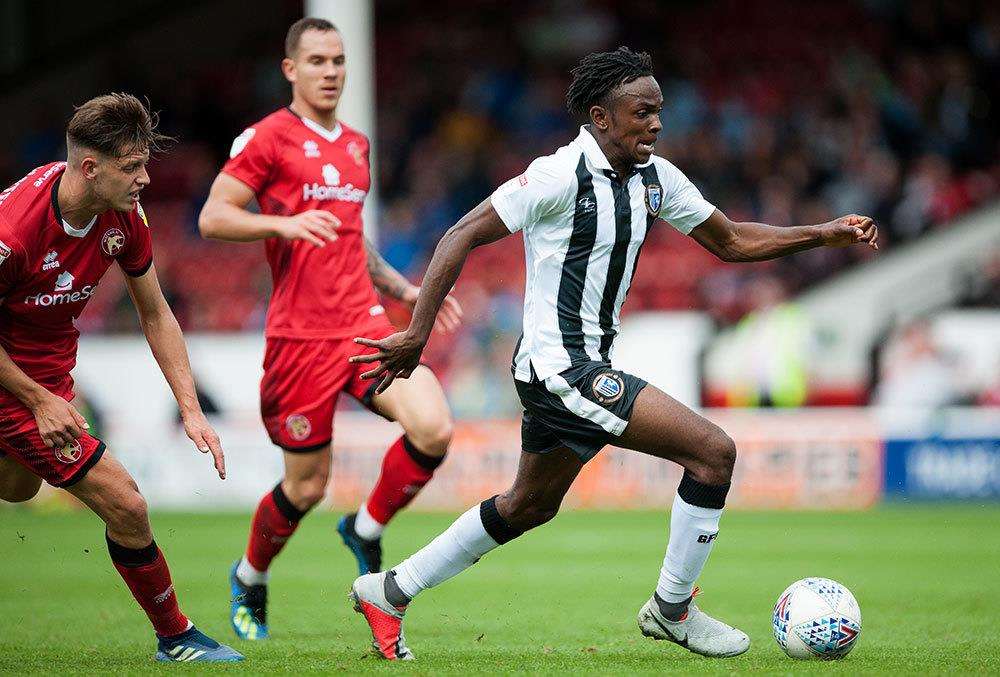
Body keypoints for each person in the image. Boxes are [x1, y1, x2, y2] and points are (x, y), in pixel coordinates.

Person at [348, 47, 879, 660]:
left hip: (573, 368)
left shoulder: (657, 178)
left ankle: (388, 590)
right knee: (712, 454)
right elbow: (460, 233)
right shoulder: (555, 175)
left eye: (659, 111)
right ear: (601, 116)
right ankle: (673, 609)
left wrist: (823, 231)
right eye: (642, 112)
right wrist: (417, 332)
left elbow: (731, 241)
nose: (655, 124)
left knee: (528, 505)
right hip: (561, 370)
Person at [198, 17, 462, 641]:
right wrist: (282, 226)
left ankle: (366, 528)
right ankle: (250, 574)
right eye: (317, 61)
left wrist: (401, 289)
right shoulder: (267, 139)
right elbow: (214, 217)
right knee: (307, 486)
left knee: (434, 426)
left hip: (362, 325)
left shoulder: (356, 145)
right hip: (299, 338)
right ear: (291, 69)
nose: (331, 72)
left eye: (338, 61)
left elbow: (349, 233)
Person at [0, 93, 242, 662]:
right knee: (126, 504)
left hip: (48, 374)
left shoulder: (123, 219)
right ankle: (176, 637)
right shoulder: (13, 230)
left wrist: (189, 407)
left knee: (16, 487)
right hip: (14, 381)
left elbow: (155, 312)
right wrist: (37, 401)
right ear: (91, 168)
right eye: (132, 165)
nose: (145, 177)